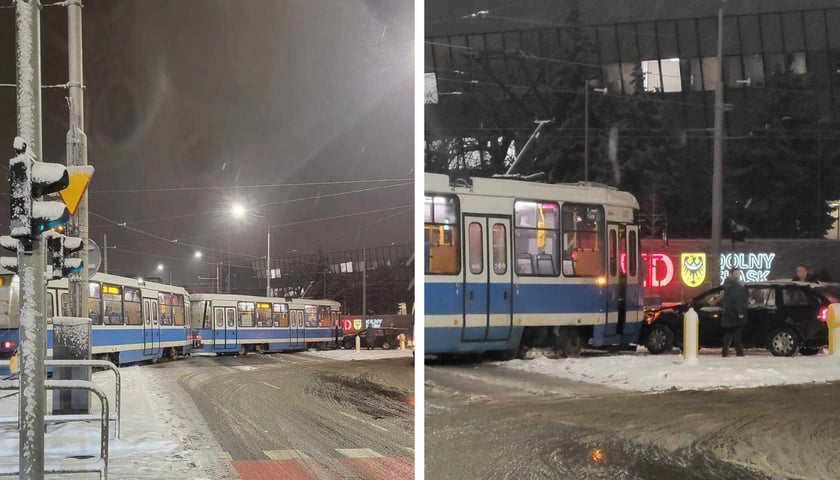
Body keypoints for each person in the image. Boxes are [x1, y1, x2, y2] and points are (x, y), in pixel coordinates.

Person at [722, 267, 748, 357]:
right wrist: (739, 312)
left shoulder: (728, 284)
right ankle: (739, 352)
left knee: (730, 333)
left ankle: (726, 352)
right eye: (736, 273)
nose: (738, 274)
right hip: (734, 314)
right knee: (736, 332)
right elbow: (736, 300)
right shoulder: (734, 285)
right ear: (732, 274)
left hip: (729, 313)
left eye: (739, 273)